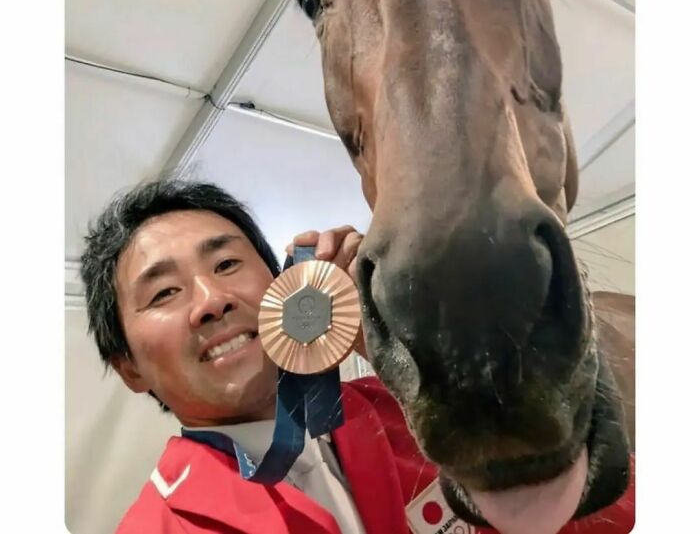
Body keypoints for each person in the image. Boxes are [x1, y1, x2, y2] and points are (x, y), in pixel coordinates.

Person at [80, 178, 634, 534]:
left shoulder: (410, 412)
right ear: (128, 367)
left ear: (283, 285)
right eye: (164, 293)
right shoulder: (157, 526)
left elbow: (609, 512)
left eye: (226, 265)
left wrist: (415, 355)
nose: (212, 300)